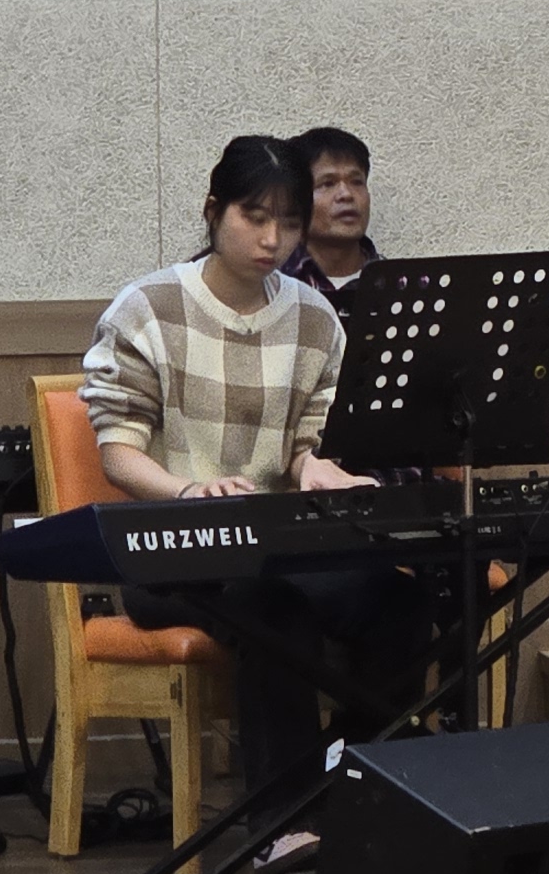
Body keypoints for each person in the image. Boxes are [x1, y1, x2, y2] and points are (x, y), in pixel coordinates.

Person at [80, 136, 434, 811]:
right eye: (255, 216)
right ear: (214, 210)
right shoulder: (148, 307)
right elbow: (118, 453)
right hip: (174, 552)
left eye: (290, 222)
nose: (273, 239)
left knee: (401, 603)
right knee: (274, 609)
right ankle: (283, 821)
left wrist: (316, 469)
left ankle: (355, 787)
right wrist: (189, 491)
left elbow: (306, 444)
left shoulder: (313, 317)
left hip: (278, 546)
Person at [282, 125, 381, 309]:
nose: (346, 194)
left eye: (356, 182)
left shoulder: (397, 284)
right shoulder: (269, 286)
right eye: (328, 183)